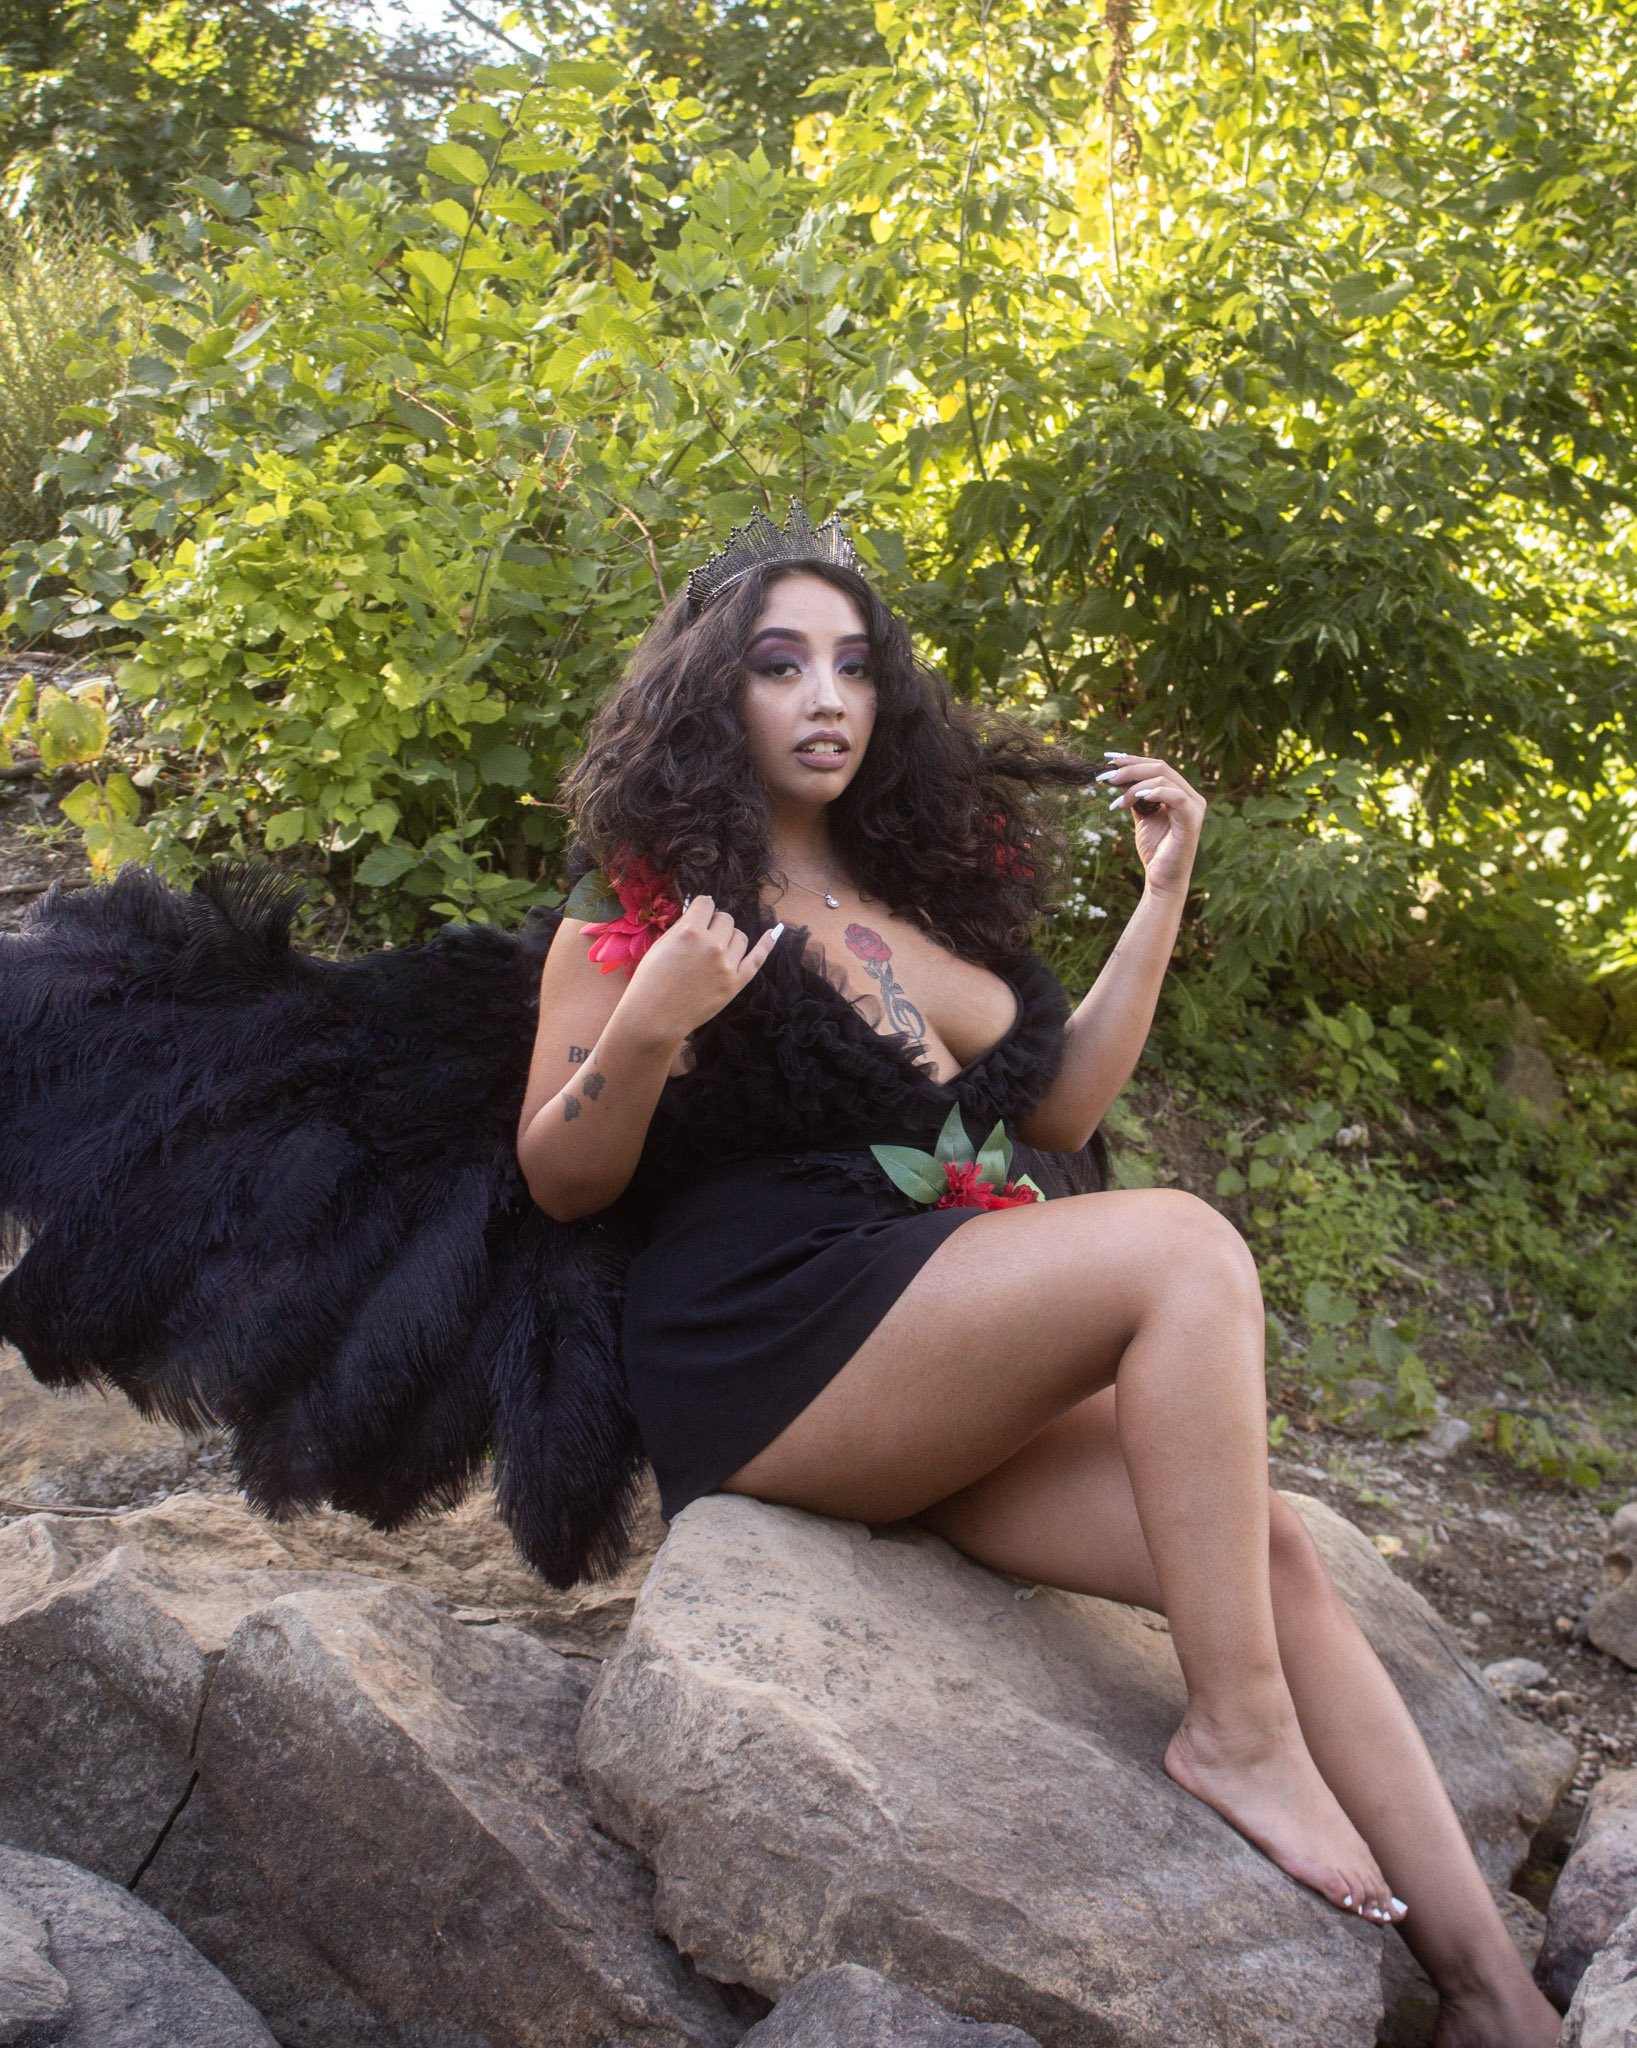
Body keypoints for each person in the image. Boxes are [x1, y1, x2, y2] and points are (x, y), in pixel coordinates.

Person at [514, 508, 1562, 2048]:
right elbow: (557, 1174)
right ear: (705, 697)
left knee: (1262, 1547)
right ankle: (1236, 1735)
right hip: (765, 1345)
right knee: (1180, 1241)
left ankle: (1499, 2000)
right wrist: (649, 1026)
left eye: (854, 667)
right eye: (779, 665)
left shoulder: (916, 909)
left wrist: (1160, 894)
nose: (825, 698)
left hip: (932, 1337)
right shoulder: (642, 926)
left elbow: (1056, 1113)